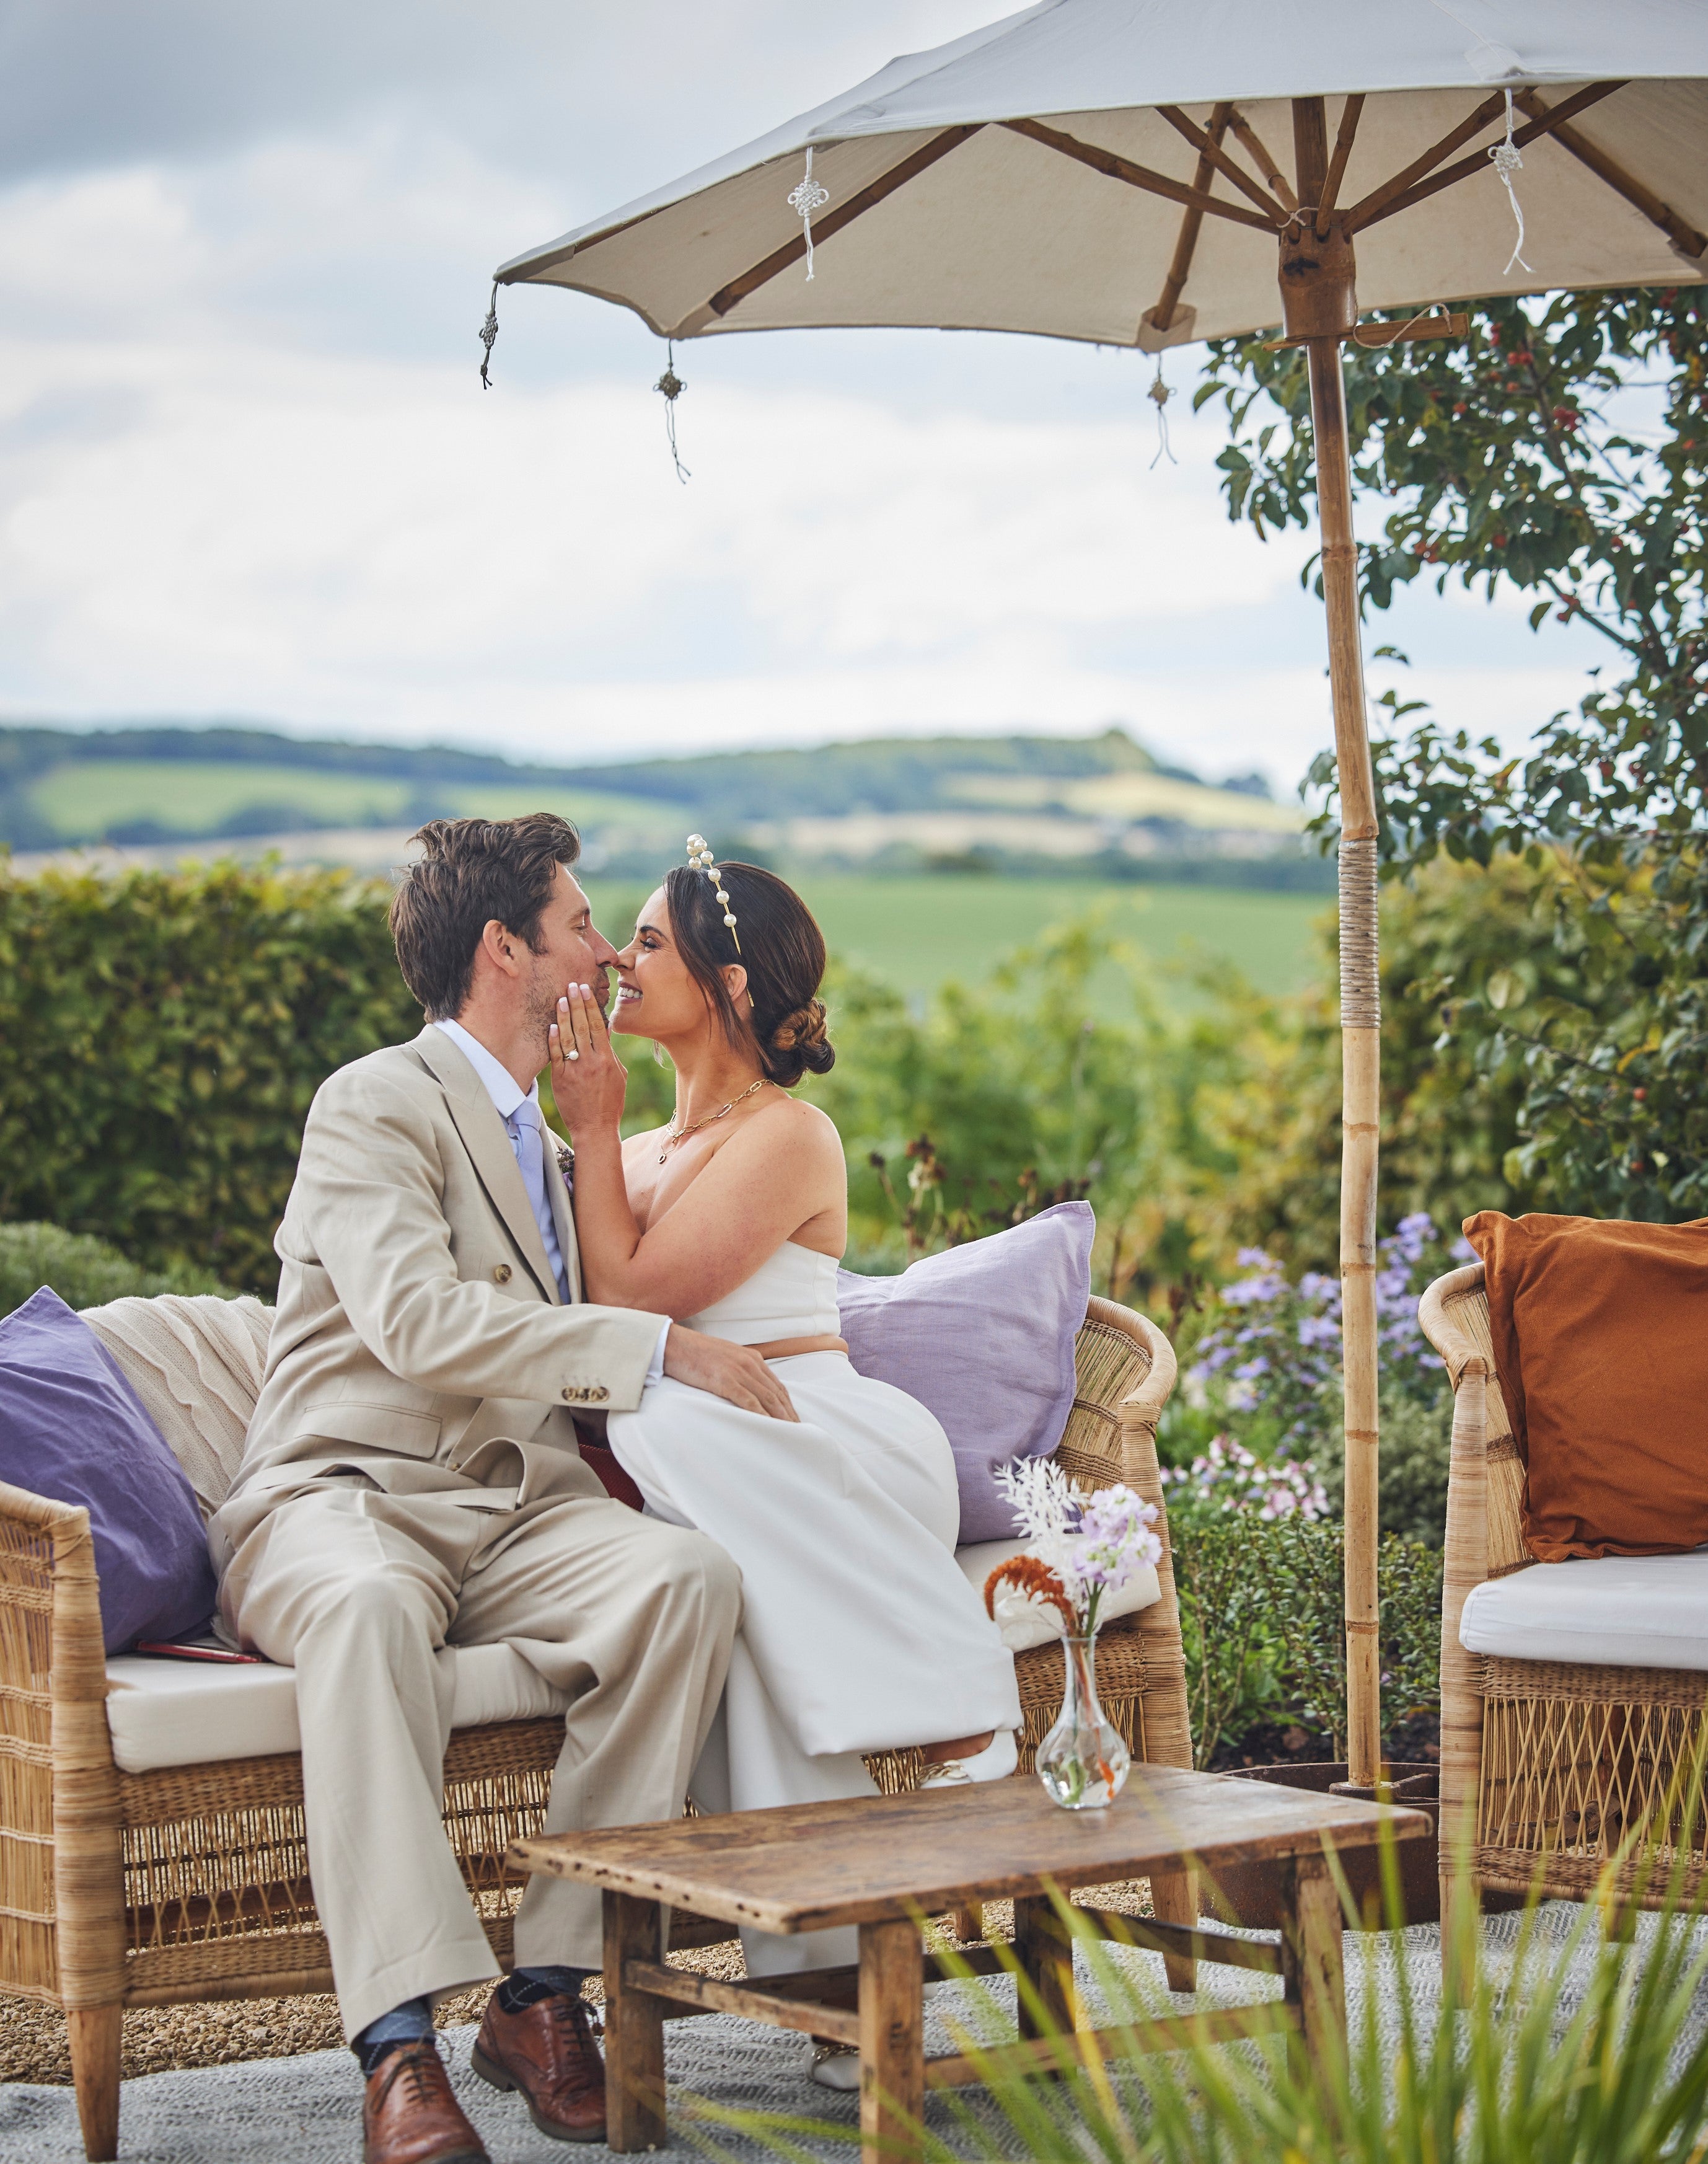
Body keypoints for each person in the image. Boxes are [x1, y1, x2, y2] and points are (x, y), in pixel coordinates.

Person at [211, 815, 790, 2164]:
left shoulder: (558, 1131)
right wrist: (659, 1350)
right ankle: (397, 2047)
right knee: (361, 1612)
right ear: (503, 949)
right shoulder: (373, 1102)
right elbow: (419, 1323)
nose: (603, 948)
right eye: (582, 925)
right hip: (343, 1499)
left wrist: (603, 1154)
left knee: (684, 1579)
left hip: (519, 1514)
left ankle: (542, 1998)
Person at [547, 842, 1023, 2012]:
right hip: (711, 1460)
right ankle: (830, 1973)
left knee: (666, 1419)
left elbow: (633, 1300)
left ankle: (965, 1696)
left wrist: (592, 1130)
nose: (620, 957)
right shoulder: (645, 1145)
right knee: (725, 1610)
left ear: (732, 982)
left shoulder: (788, 1134)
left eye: (650, 941)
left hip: (830, 1443)